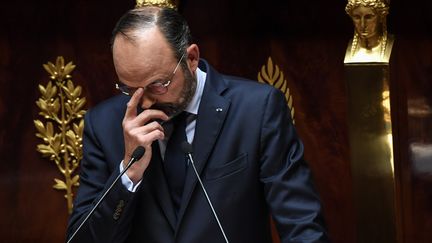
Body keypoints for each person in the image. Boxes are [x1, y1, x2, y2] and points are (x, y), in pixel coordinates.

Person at [66, 6, 329, 243]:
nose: (144, 103)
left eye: (158, 85)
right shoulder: (104, 124)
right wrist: (128, 173)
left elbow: (301, 224)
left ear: (191, 58)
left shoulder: (257, 110)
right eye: (129, 88)